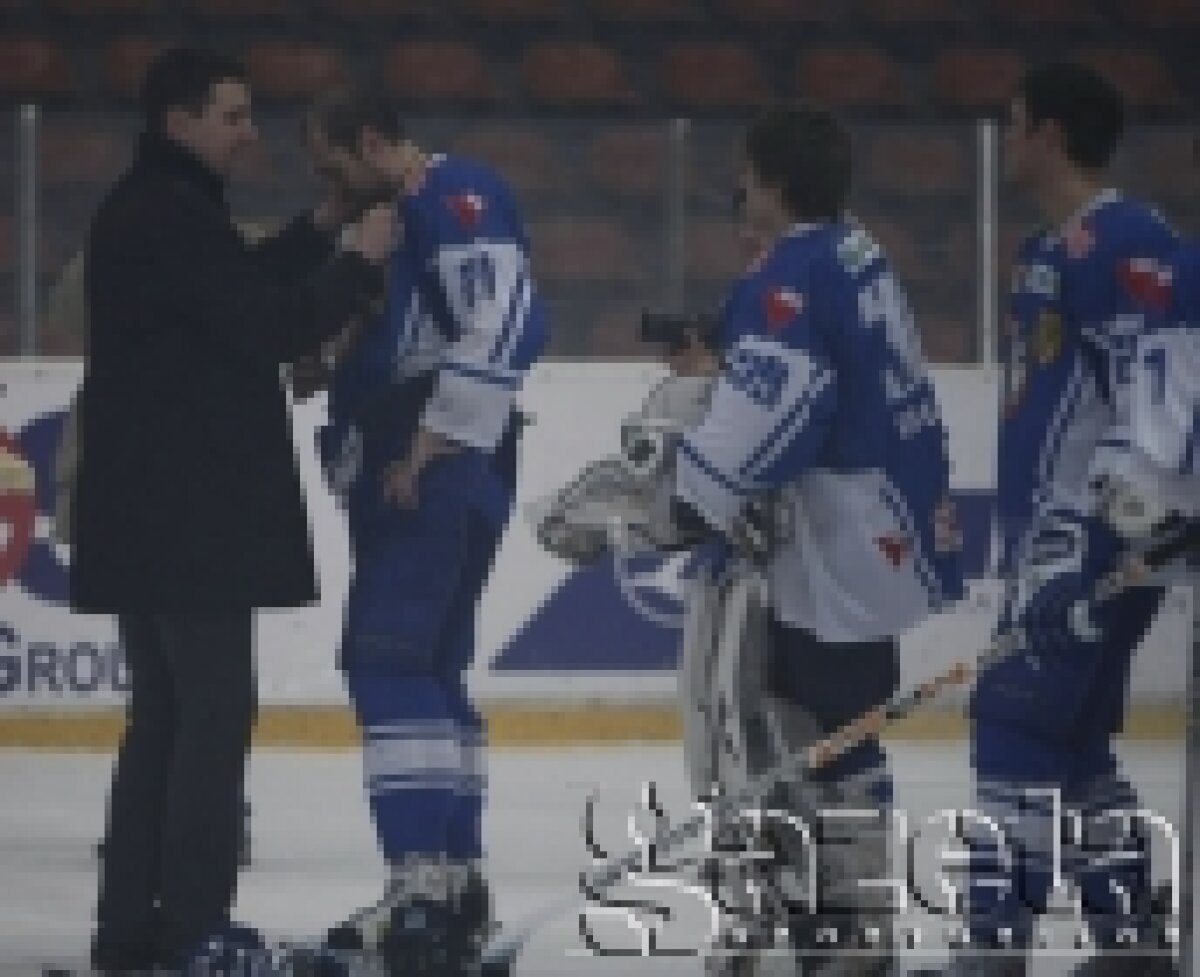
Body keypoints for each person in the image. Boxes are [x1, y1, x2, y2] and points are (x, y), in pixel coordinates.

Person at [71, 47, 394, 972]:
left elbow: (238, 285)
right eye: (232, 115)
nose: (250, 132)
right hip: (188, 520)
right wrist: (361, 262)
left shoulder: (157, 207)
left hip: (149, 516)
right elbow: (269, 325)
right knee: (210, 715)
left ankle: (132, 928)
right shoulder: (169, 217)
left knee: (166, 717)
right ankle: (193, 929)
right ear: (179, 121)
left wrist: (323, 226)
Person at [667, 104, 962, 977]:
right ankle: (837, 915)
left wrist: (693, 495)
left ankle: (851, 923)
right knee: (826, 722)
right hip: (884, 527)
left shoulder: (789, 279)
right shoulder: (854, 250)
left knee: (814, 723)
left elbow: (780, 410)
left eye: (748, 175)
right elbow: (829, 376)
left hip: (843, 541)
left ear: (777, 183)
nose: (737, 190)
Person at [299, 88, 547, 969]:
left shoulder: (452, 193)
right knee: (431, 666)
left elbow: (509, 319)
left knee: (387, 659)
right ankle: (454, 883)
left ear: (373, 140)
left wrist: (430, 441)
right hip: (424, 460)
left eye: (336, 164)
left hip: (433, 463)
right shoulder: (401, 216)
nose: (330, 184)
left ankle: (422, 885)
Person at [950, 62, 1181, 977]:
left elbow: (1165, 390)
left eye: (1013, 124)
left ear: (1050, 134)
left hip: (1093, 537)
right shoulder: (1049, 252)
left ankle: (993, 948)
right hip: (1050, 536)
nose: (1006, 141)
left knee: (1010, 718)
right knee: (1072, 739)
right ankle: (1129, 941)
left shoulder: (1132, 245)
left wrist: (1132, 519)